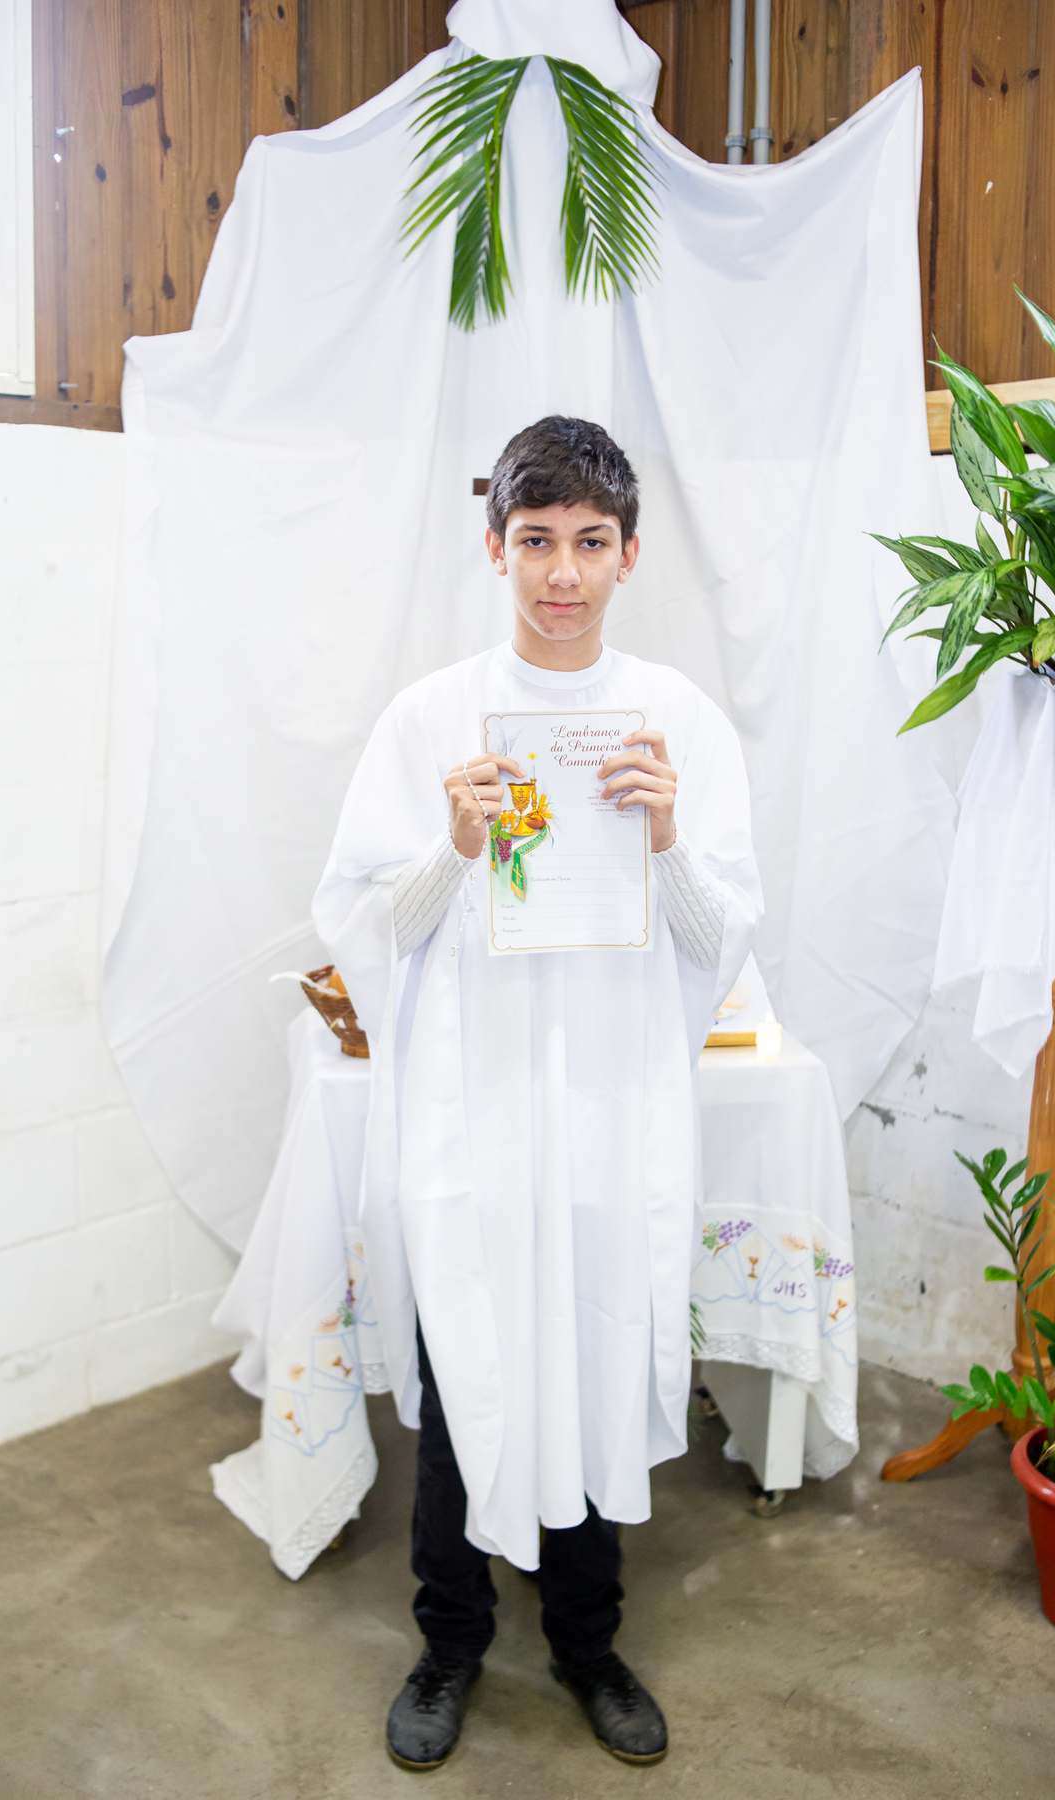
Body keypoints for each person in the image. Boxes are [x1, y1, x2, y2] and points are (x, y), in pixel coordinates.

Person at [312, 416, 762, 1770]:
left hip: (610, 1112)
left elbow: (720, 939)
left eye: (589, 542)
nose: (562, 572)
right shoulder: (428, 720)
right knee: (466, 1366)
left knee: (595, 1349)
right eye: (536, 540)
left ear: (629, 554)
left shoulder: (679, 722)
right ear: (494, 546)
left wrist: (667, 835)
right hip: (476, 1112)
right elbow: (366, 929)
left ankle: (587, 1640)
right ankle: (450, 1641)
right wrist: (453, 847)